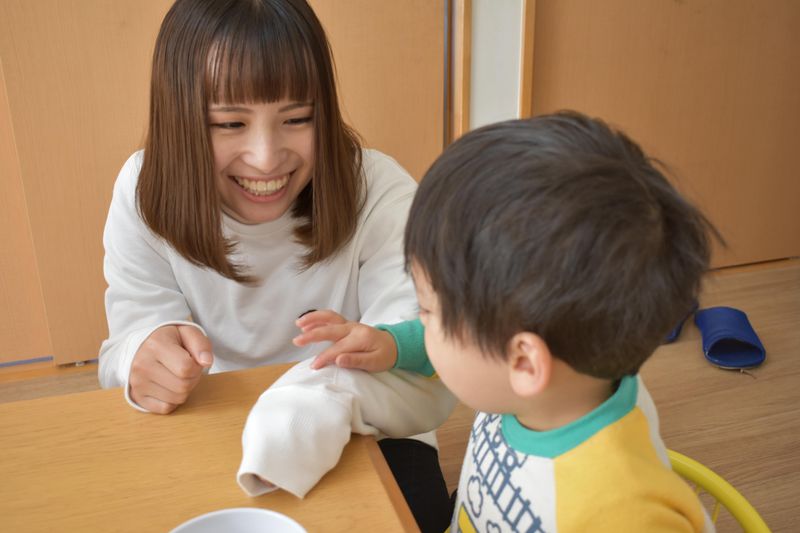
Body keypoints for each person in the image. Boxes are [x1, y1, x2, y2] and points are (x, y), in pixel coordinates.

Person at [98, 0, 452, 530]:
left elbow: (429, 356)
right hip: (215, 423)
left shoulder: (378, 190)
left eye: (296, 119)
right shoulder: (145, 191)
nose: (266, 157)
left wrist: (367, 358)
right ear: (180, 121)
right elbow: (122, 352)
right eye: (229, 123)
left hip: (370, 431)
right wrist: (142, 357)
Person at [295, 111, 719, 531]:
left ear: (525, 363)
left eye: (428, 311)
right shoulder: (565, 375)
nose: (421, 322)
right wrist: (392, 344)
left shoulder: (622, 515)